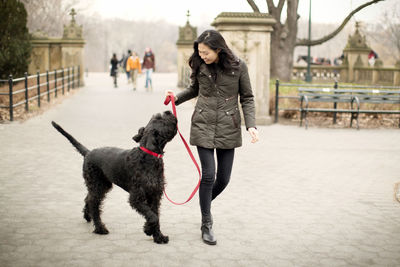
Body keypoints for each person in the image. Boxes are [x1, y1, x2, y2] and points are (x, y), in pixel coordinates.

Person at [166, 29, 259, 245]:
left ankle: (204, 203)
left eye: (206, 52)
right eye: (199, 52)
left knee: (223, 180)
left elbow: (247, 97)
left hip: (229, 125)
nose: (202, 56)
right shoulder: (199, 65)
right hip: (203, 123)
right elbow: (194, 89)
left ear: (218, 49)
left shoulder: (238, 66)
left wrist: (251, 126)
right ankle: (206, 222)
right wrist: (175, 98)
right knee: (208, 176)